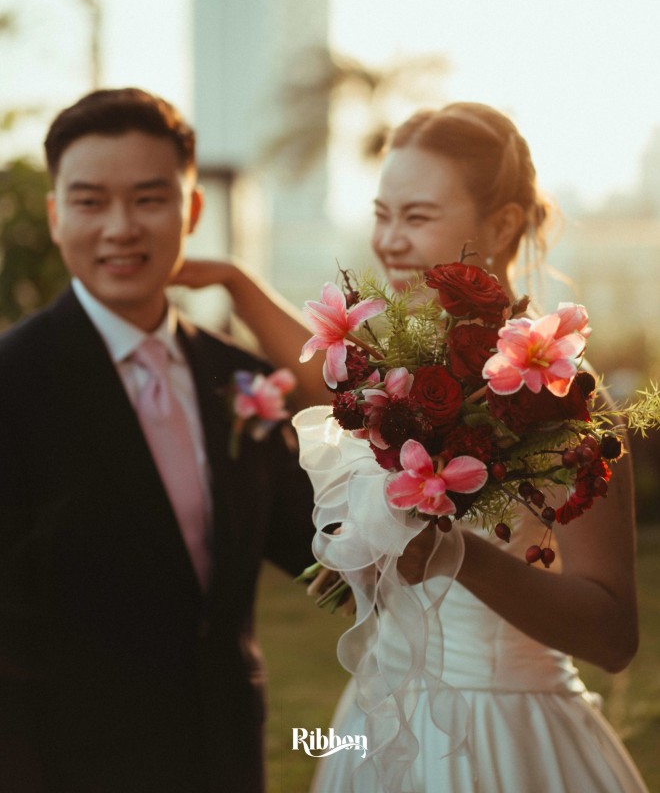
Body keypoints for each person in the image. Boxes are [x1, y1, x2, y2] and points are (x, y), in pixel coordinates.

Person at [175, 102, 649, 792]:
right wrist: (234, 282)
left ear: (504, 224)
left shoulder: (560, 401)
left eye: (417, 216)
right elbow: (316, 374)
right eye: (382, 213)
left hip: (507, 737)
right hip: (381, 725)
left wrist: (462, 558)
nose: (390, 241)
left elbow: (614, 637)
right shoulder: (393, 374)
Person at [0, 87, 318, 793]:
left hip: (228, 758)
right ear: (56, 217)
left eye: (149, 199)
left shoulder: (239, 378)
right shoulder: (11, 384)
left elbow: (319, 549)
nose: (120, 227)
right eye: (89, 203)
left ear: (191, 209)